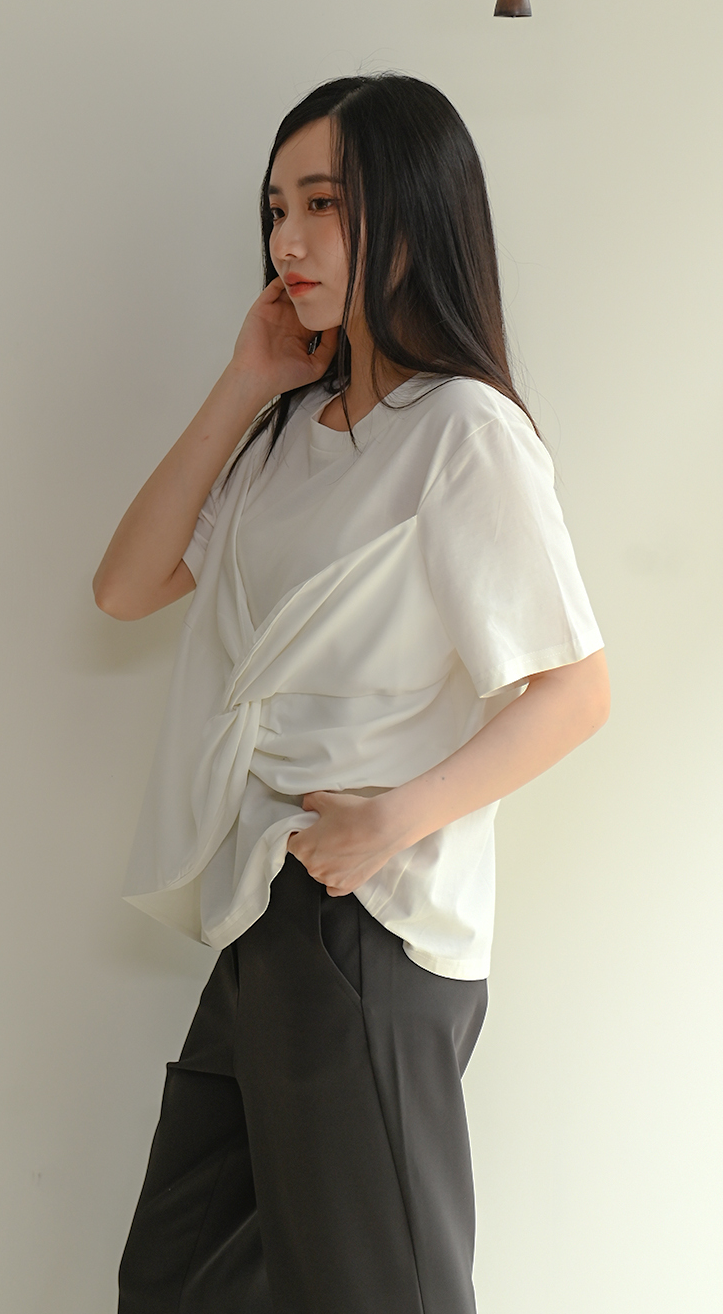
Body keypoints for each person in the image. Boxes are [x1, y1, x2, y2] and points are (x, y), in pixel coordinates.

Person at [93, 73, 610, 1314]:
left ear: (413, 213)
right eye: (277, 207)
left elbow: (576, 688)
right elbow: (125, 586)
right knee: (177, 1284)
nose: (289, 238)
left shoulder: (463, 431)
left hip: (367, 921)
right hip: (264, 908)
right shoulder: (290, 432)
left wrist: (392, 820)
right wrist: (244, 383)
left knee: (378, 1293)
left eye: (323, 203)